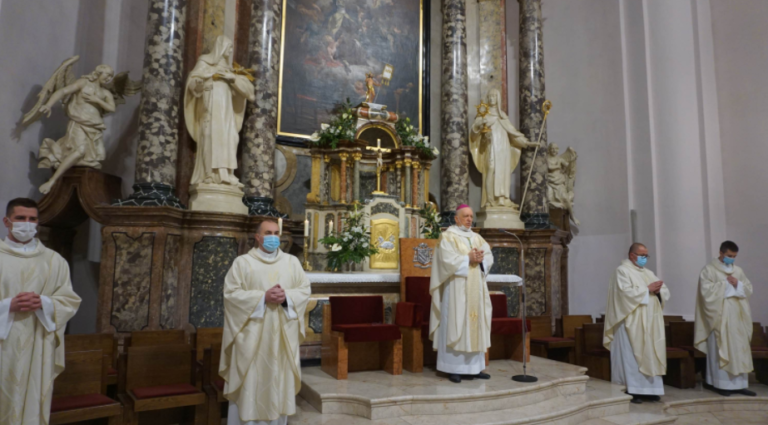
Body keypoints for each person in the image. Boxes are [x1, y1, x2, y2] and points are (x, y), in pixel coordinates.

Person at [219, 219, 311, 425]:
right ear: (258, 237)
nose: (273, 237)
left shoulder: (291, 262)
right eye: (268, 233)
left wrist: (286, 297)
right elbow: (231, 295)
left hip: (282, 338)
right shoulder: (243, 263)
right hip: (252, 338)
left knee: (278, 380)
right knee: (251, 382)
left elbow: (304, 290)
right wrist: (262, 297)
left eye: (276, 233)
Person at [0, 198, 81, 425]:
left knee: (31, 400)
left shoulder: (55, 262)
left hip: (38, 343)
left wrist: (44, 303)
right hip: (3, 345)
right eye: (20, 218)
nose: (27, 224)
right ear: (7, 221)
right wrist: (7, 306)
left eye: (32, 219)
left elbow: (68, 300)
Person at [429, 204, 494, 383]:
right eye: (465, 216)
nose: (469, 219)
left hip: (476, 288)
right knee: (456, 322)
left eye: (471, 216)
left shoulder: (477, 238)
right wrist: (468, 258)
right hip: (456, 288)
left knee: (475, 324)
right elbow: (445, 261)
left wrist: (481, 260)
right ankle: (453, 368)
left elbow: (488, 256)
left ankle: (475, 368)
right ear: (456, 219)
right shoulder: (448, 236)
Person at [185, 35, 255, 187]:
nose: (230, 51)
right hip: (211, 105)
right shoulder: (205, 62)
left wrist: (232, 78)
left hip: (226, 110)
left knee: (231, 138)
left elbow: (250, 93)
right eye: (229, 47)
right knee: (210, 136)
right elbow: (193, 81)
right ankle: (209, 174)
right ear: (221, 48)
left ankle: (227, 173)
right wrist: (198, 83)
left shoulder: (230, 70)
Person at [603, 243, 669, 404]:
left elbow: (664, 290)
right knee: (631, 356)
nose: (645, 258)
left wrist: (658, 291)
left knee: (650, 354)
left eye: (646, 255)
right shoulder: (622, 271)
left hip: (650, 321)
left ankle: (650, 390)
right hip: (630, 321)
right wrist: (647, 290)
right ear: (632, 255)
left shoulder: (648, 272)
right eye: (642, 255)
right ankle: (632, 389)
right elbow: (623, 294)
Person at [694, 241, 756, 397]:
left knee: (739, 349)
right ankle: (720, 383)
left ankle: (740, 384)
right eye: (729, 255)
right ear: (721, 253)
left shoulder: (738, 271)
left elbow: (748, 289)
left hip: (738, 316)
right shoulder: (709, 270)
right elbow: (705, 292)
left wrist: (738, 284)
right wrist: (726, 285)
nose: (732, 259)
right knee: (721, 348)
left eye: (734, 256)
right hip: (719, 316)